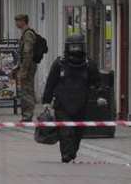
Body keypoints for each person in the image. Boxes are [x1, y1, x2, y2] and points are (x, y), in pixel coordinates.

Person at [42, 34, 107, 163]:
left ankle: (72, 152)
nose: (75, 49)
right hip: (62, 103)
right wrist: (46, 101)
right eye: (72, 47)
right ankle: (66, 154)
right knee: (66, 130)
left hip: (81, 103)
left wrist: (100, 96)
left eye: (77, 46)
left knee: (78, 131)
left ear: (83, 47)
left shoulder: (89, 65)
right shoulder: (59, 64)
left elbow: (97, 83)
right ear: (67, 47)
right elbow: (51, 83)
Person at [14, 14, 37, 122]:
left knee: (27, 91)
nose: (16, 23)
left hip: (28, 67)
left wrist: (23, 70)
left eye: (18, 21)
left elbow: (27, 53)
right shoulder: (25, 34)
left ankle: (27, 115)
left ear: (23, 21)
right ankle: (26, 115)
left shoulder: (28, 34)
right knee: (25, 90)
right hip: (25, 66)